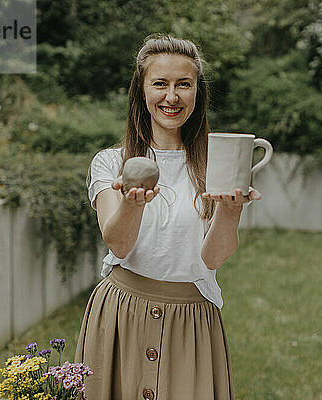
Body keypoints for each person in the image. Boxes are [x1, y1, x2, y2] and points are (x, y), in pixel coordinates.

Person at [74, 34, 262, 400]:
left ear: (197, 93)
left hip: (191, 322)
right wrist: (132, 203)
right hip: (120, 316)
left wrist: (230, 209)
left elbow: (213, 258)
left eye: (184, 85)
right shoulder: (111, 163)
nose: (172, 97)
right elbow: (119, 245)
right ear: (141, 92)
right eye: (160, 84)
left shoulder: (218, 167)